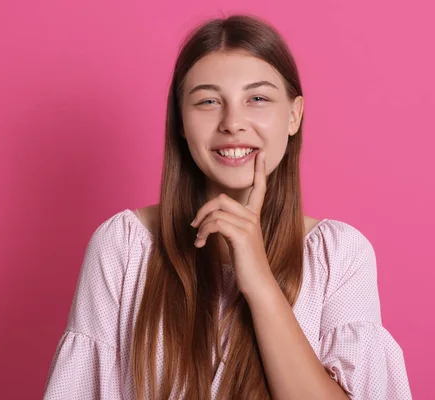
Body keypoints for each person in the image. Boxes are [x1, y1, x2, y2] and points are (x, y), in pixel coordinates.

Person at [43, 14, 412, 400]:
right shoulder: (123, 246)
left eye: (257, 99)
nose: (233, 123)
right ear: (181, 122)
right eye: (208, 101)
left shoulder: (338, 254)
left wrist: (260, 284)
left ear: (293, 115)